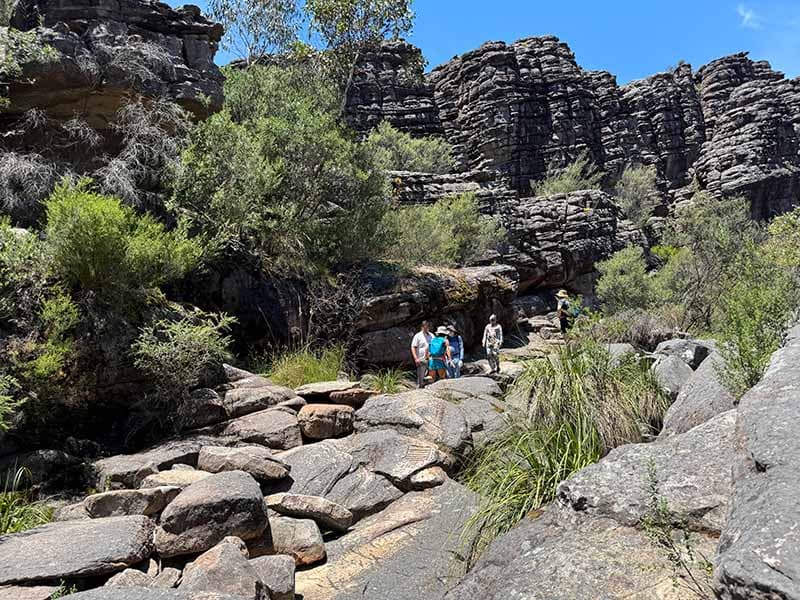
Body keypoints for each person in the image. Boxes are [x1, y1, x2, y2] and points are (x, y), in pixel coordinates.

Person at [411, 320, 433, 388]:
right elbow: (413, 347)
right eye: (425, 327)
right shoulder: (418, 336)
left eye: (427, 327)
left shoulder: (432, 335)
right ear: (422, 327)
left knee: (429, 375)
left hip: (431, 358)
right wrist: (415, 358)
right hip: (421, 359)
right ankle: (419, 388)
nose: (426, 328)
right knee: (421, 375)